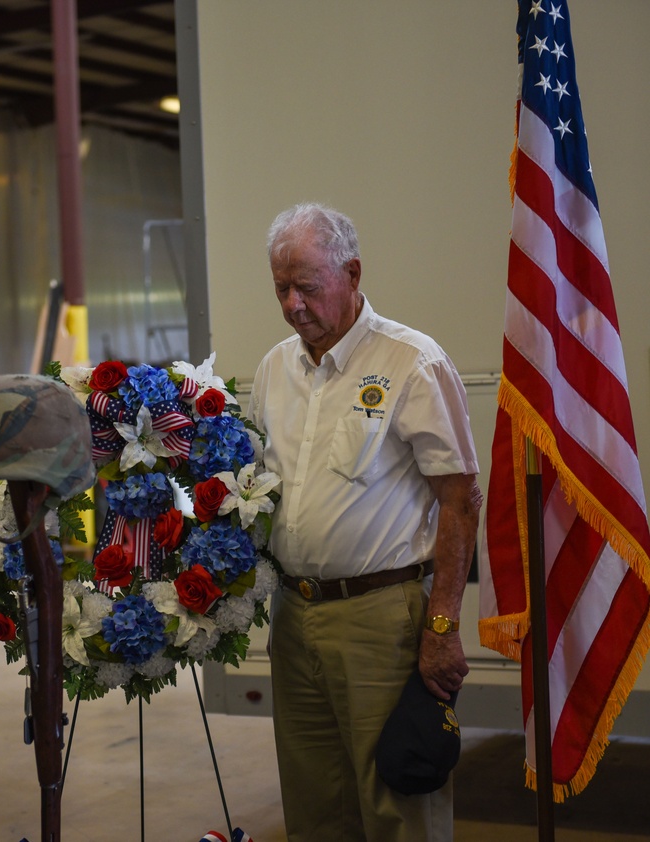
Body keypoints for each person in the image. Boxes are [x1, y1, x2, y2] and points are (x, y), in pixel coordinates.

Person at [248, 202, 482, 842]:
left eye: (307, 287)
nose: (294, 305)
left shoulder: (413, 362)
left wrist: (441, 626)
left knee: (397, 810)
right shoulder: (274, 370)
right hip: (294, 621)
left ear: (351, 273)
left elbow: (460, 500)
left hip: (383, 620)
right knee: (314, 809)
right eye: (280, 289)